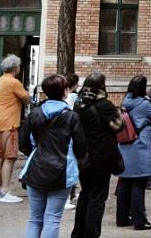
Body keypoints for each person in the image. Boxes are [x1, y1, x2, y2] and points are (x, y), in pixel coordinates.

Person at [20, 75, 87, 238]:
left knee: (35, 219)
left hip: (36, 169)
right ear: (65, 91)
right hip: (62, 172)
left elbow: (23, 143)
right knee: (53, 219)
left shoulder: (35, 114)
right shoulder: (72, 117)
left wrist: (37, 155)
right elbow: (82, 147)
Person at [71, 72, 124, 238]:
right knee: (97, 198)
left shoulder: (78, 104)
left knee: (85, 194)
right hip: (102, 156)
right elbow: (118, 126)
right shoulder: (105, 105)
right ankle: (91, 234)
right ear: (102, 86)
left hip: (83, 156)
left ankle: (78, 233)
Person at [116, 75, 151, 230]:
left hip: (125, 146)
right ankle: (140, 220)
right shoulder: (145, 104)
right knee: (139, 183)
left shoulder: (125, 102)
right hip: (140, 146)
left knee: (125, 182)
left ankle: (122, 217)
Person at [0, 54, 32, 203]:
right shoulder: (14, 82)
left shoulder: (0, 80)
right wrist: (29, 96)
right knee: (10, 157)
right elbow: (27, 99)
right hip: (9, 124)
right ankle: (5, 190)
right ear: (15, 68)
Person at [63, 72, 80, 210]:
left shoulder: (67, 96)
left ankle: (72, 193)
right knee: (71, 165)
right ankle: (68, 196)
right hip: (70, 133)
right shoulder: (73, 97)